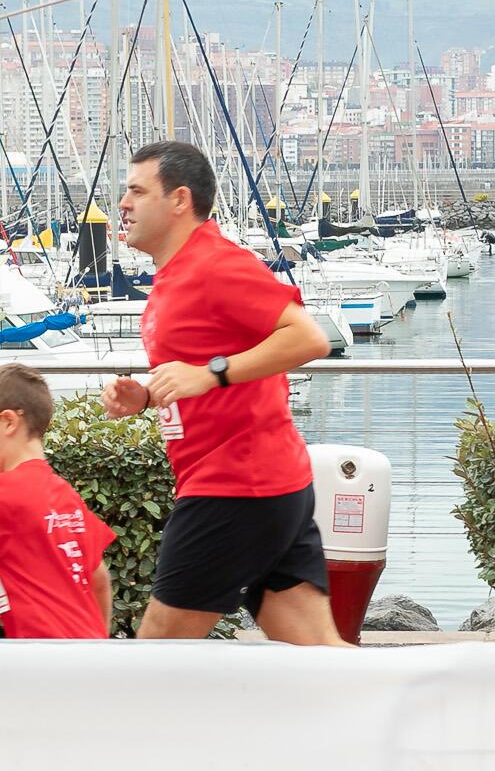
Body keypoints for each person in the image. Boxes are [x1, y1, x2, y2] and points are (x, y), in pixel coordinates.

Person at [100, 141, 346, 645]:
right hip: (271, 484)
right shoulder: (176, 274)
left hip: (234, 486)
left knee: (158, 653)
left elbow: (308, 338)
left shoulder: (215, 263)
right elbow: (202, 366)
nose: (122, 204)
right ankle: (417, 712)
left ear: (179, 200)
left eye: (136, 191)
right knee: (322, 657)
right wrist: (148, 396)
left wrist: (211, 373)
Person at [0, 363, 116, 638]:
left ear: (9, 421)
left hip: (43, 658)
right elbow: (99, 579)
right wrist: (99, 641)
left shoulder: (0, 493)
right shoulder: (63, 493)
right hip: (88, 649)